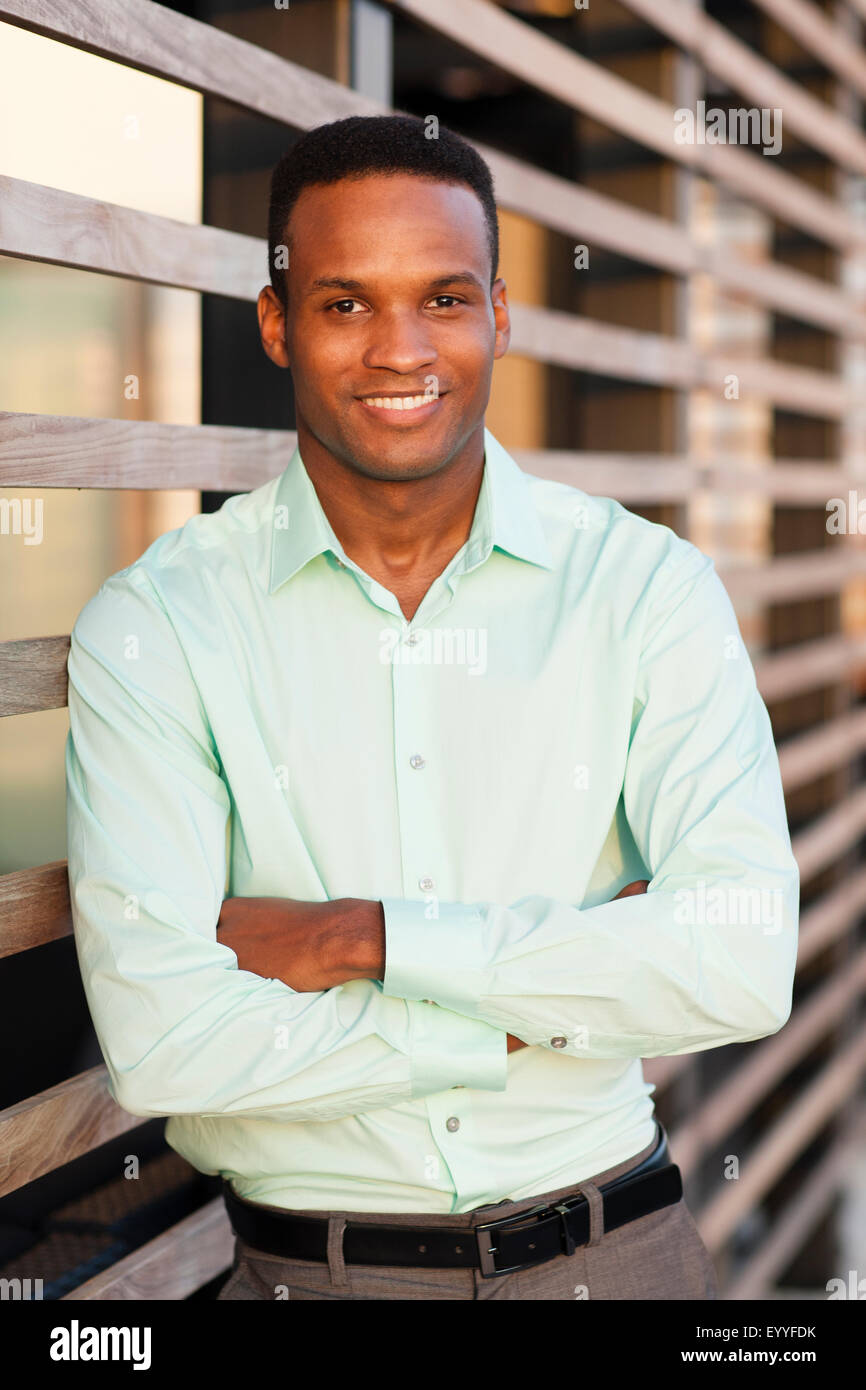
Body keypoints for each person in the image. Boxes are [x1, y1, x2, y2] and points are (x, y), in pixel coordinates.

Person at [65, 114, 799, 1301]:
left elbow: (737, 960)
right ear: (276, 323)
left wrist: (362, 937)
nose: (399, 349)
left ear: (498, 315)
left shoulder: (643, 588)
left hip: (614, 1261)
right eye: (345, 303)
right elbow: (162, 1043)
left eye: (443, 299)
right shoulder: (159, 626)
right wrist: (534, 999)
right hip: (310, 1279)